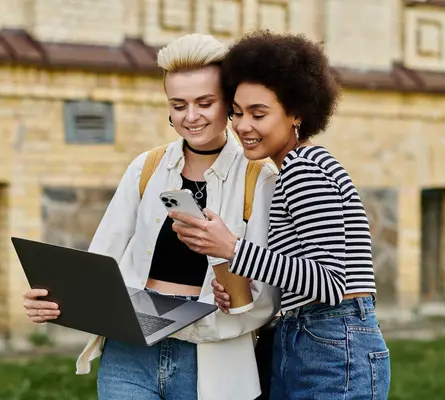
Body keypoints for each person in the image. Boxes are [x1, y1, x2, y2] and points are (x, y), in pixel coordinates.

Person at [21, 33, 280, 400]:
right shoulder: (147, 167)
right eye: (178, 104)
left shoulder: (260, 180)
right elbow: (101, 259)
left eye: (205, 103)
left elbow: (266, 299)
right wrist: (58, 300)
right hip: (130, 354)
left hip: (214, 361)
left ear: (228, 104)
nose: (191, 117)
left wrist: (192, 321)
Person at [171, 30, 391, 400]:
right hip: (308, 336)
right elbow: (296, 271)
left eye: (259, 113)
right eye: (237, 112)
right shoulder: (292, 168)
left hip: (331, 343)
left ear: (296, 114)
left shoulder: (303, 168)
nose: (243, 126)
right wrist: (240, 287)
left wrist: (233, 249)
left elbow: (330, 283)